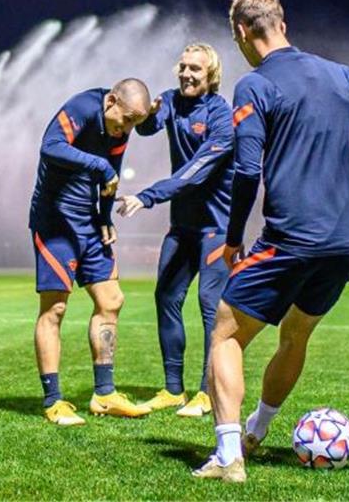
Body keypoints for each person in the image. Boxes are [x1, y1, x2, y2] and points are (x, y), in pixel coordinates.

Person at [194, 0, 349, 482]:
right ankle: (257, 432)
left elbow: (246, 171)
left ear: (242, 32)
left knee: (225, 333)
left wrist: (231, 237)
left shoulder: (254, 85)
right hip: (346, 241)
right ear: (282, 23)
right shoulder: (344, 76)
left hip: (291, 238)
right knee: (296, 333)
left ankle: (229, 456)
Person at [115, 43, 234, 418]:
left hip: (216, 228)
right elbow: (148, 126)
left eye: (195, 69)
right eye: (182, 67)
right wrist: (147, 113)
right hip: (182, 228)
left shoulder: (221, 115)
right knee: (166, 298)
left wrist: (148, 196)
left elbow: (195, 173)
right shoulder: (169, 99)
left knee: (210, 308)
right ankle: (172, 390)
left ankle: (206, 392)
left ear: (210, 75)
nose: (186, 74)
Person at [31, 79, 154, 426]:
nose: (126, 129)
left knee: (111, 300)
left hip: (89, 223)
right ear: (112, 101)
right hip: (55, 220)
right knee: (54, 308)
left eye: (134, 124)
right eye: (126, 120)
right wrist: (98, 166)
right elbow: (50, 146)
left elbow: (110, 179)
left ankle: (104, 394)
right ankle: (54, 400)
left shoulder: (120, 128)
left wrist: (103, 218)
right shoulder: (82, 108)